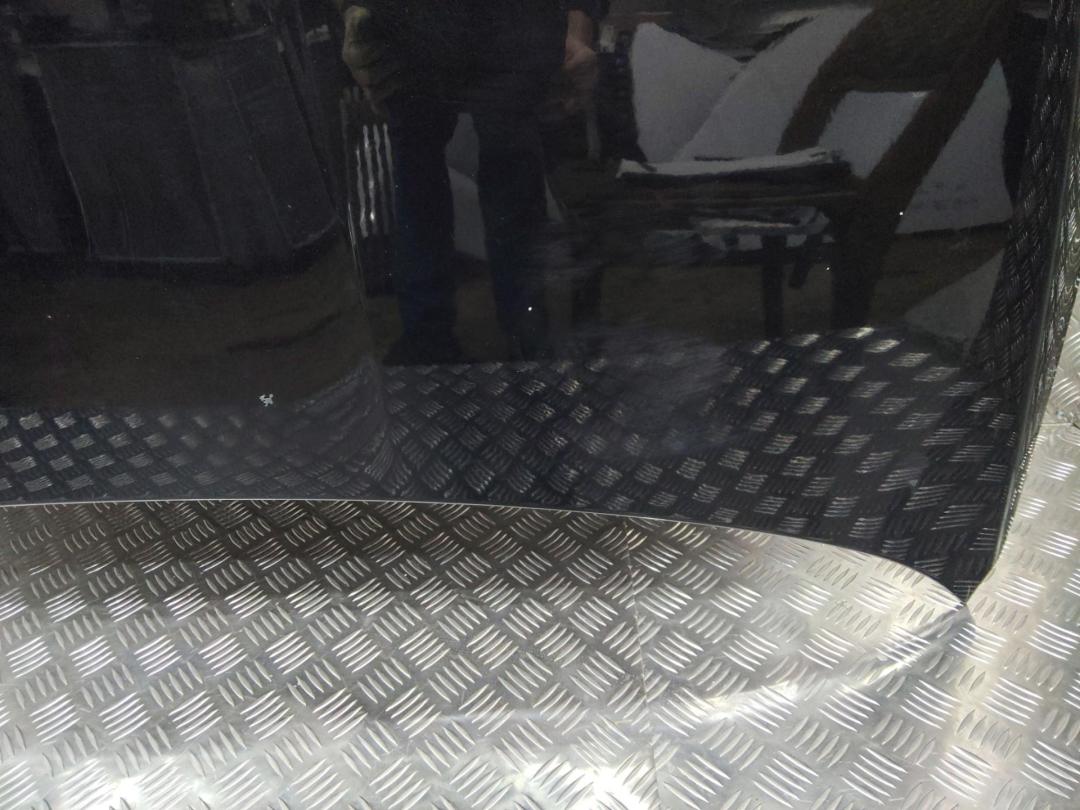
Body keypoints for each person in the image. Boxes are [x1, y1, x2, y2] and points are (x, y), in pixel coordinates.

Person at [336, 0, 606, 363]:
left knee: (461, 168)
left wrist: (576, 27)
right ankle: (483, 330)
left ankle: (454, 331)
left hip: (480, 28)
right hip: (442, 28)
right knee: (449, 168)